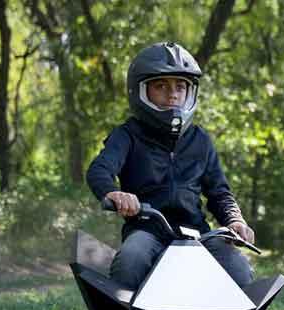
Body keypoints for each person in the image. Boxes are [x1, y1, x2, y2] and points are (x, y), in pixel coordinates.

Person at [86, 41, 255, 290]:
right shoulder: (127, 135)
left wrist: (235, 220)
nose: (173, 93)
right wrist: (113, 193)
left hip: (198, 233)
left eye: (180, 86)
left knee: (239, 270)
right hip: (147, 229)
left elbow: (220, 192)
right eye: (161, 85)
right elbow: (99, 169)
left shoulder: (201, 140)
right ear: (141, 91)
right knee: (130, 260)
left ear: (190, 92)